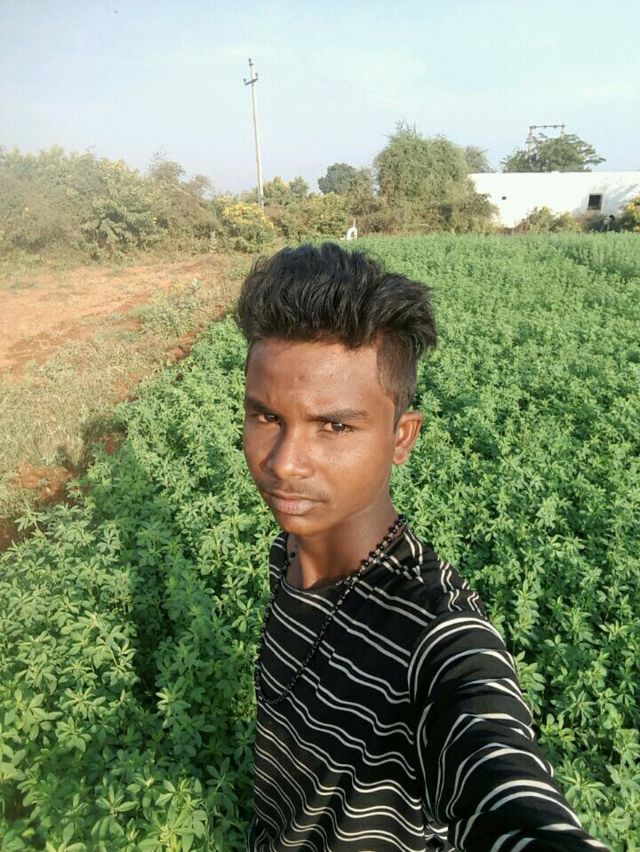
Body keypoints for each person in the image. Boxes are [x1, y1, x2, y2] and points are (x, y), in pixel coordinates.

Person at [235, 242, 609, 851]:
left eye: (335, 426)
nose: (284, 464)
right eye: (267, 417)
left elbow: (503, 782)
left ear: (401, 437)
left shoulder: (437, 634)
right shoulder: (293, 547)